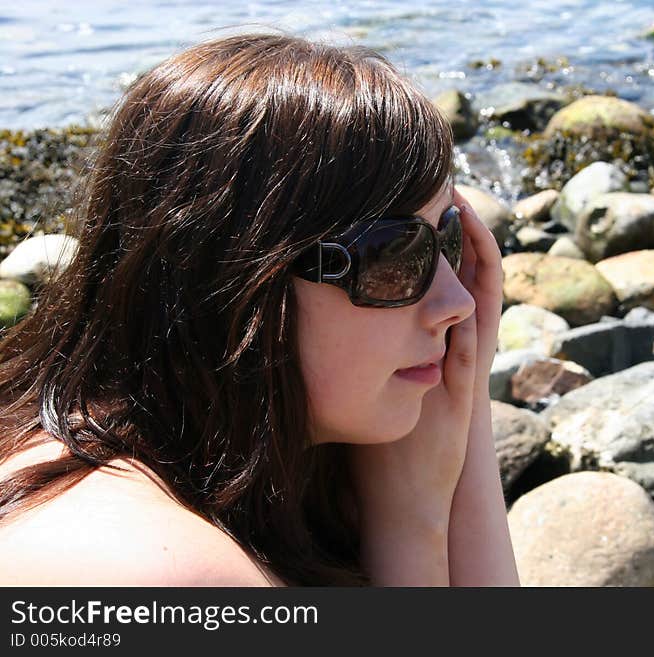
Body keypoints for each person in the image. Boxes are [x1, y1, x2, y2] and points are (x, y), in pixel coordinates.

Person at [0, 33, 519, 587]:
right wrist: (411, 529)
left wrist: (466, 406)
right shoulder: (152, 568)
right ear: (225, 276)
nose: (459, 303)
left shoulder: (279, 464)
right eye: (393, 252)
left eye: (449, 239)